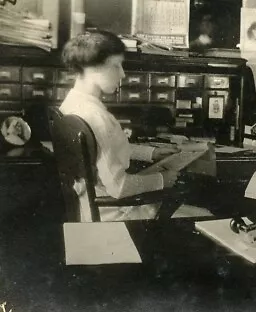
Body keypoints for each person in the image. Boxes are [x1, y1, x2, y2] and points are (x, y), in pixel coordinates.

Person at [59, 30, 182, 221]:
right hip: (115, 212)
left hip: (87, 208)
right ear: (92, 68)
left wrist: (151, 153)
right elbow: (119, 187)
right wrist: (163, 180)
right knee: (201, 214)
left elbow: (101, 148)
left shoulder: (71, 103)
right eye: (116, 66)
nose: (123, 74)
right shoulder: (95, 115)